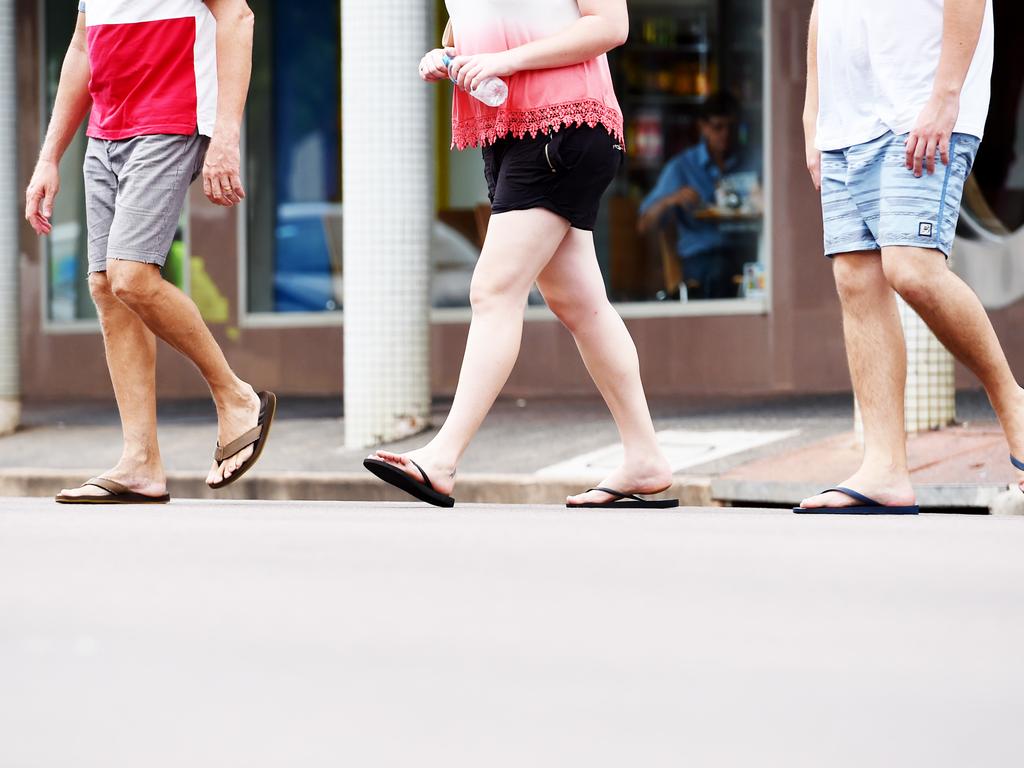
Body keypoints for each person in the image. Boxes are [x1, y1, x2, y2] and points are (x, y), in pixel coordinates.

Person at [363, 0, 676, 509]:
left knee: (494, 290)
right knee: (582, 306)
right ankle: (644, 459)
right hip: (515, 131)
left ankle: (442, 458)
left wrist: (506, 61)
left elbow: (611, 26)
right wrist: (449, 52)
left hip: (563, 126)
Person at [26, 0, 275, 505]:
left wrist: (226, 136)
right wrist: (49, 157)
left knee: (131, 276)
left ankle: (236, 396)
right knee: (105, 286)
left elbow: (238, 17)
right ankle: (140, 462)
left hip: (171, 117)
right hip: (105, 132)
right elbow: (81, 47)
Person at [797, 0, 1023, 514]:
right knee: (855, 277)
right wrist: (814, 109)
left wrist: (946, 95)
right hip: (846, 116)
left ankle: (1015, 408)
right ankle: (884, 469)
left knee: (911, 267)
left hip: (918, 107)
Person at [638, 93, 757, 300]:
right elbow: (644, 224)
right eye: (718, 127)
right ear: (703, 127)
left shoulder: (751, 161)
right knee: (719, 271)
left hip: (745, 249)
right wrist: (670, 200)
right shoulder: (682, 167)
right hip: (701, 256)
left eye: (732, 128)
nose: (726, 135)